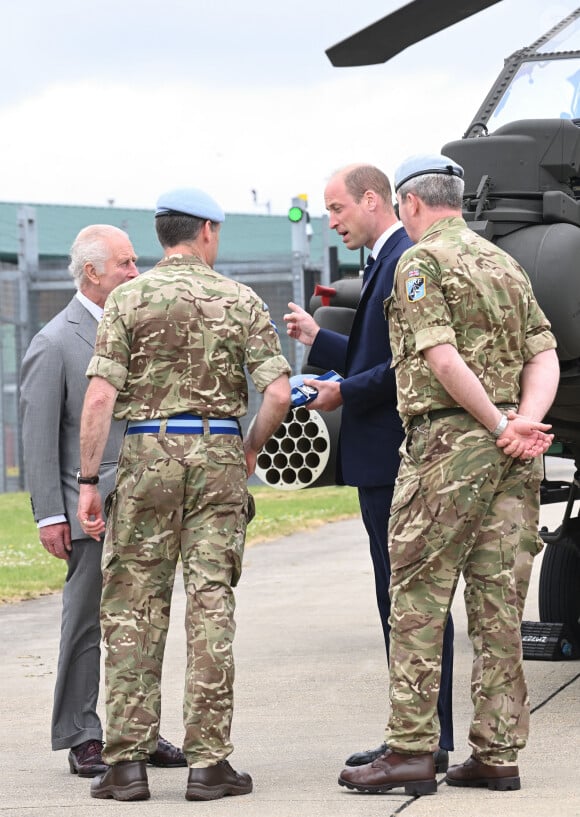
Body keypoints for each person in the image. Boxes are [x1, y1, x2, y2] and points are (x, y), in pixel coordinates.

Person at [338, 154, 559, 796]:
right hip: (518, 451)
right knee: (499, 607)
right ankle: (496, 754)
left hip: (450, 445)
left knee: (417, 595)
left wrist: (493, 424)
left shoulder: (419, 260)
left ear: (408, 204)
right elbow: (542, 351)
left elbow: (438, 355)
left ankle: (411, 750)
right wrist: (523, 424)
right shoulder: (504, 263)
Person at [76, 188, 291, 802]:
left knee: (132, 610)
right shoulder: (241, 299)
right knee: (210, 604)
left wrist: (90, 481)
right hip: (219, 456)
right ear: (206, 232)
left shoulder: (126, 298)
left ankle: (124, 765)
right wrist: (246, 449)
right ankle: (209, 764)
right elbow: (277, 392)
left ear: (162, 234)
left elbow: (99, 397)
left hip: (145, 456)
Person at [284, 163, 454, 771]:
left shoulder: (405, 258)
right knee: (396, 597)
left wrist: (341, 394)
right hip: (379, 456)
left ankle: (424, 739)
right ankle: (415, 733)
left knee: (409, 599)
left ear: (374, 200)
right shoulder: (385, 260)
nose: (331, 222)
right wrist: (319, 340)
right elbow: (373, 354)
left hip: (394, 456)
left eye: (336, 209)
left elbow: (404, 367)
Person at [20, 224, 185, 778]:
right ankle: (80, 732)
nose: (136, 273)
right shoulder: (55, 342)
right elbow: (38, 438)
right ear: (93, 272)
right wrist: (50, 514)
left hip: (145, 505)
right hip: (87, 510)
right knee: (86, 622)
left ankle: (137, 731)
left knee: (143, 620)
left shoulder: (134, 329)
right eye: (126, 264)